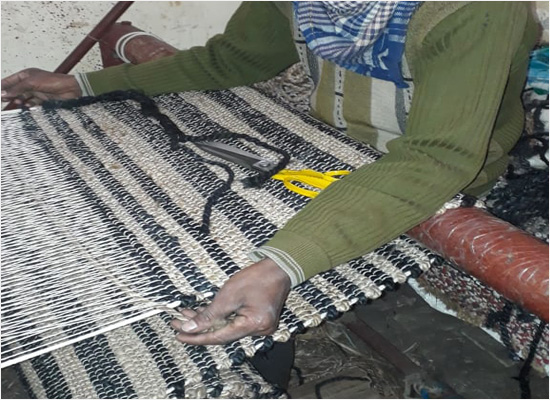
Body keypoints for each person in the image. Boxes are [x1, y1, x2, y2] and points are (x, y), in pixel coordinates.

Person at [1, 1, 539, 349]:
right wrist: (86, 86)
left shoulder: (476, 10)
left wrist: (283, 263)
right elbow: (235, 60)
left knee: (223, 284)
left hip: (438, 169)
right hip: (327, 144)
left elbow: (437, 157)